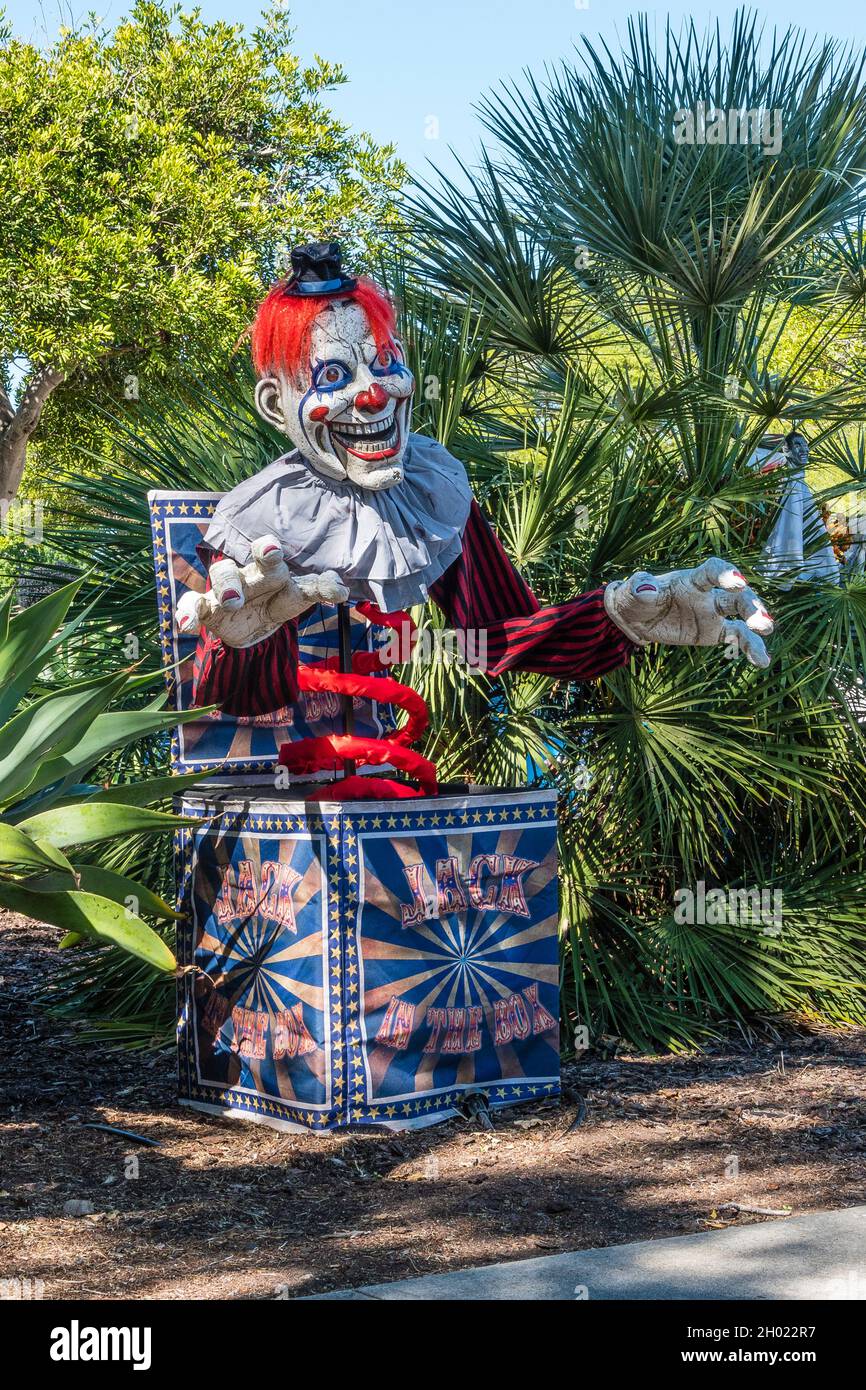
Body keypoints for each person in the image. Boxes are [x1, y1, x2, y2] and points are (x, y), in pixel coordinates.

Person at [177, 243, 775, 718]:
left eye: (385, 362)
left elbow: (499, 637)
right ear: (276, 405)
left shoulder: (429, 494)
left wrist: (625, 613)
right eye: (335, 374)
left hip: (383, 796)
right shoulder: (254, 534)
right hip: (268, 814)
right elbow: (223, 708)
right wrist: (241, 644)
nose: (373, 394)